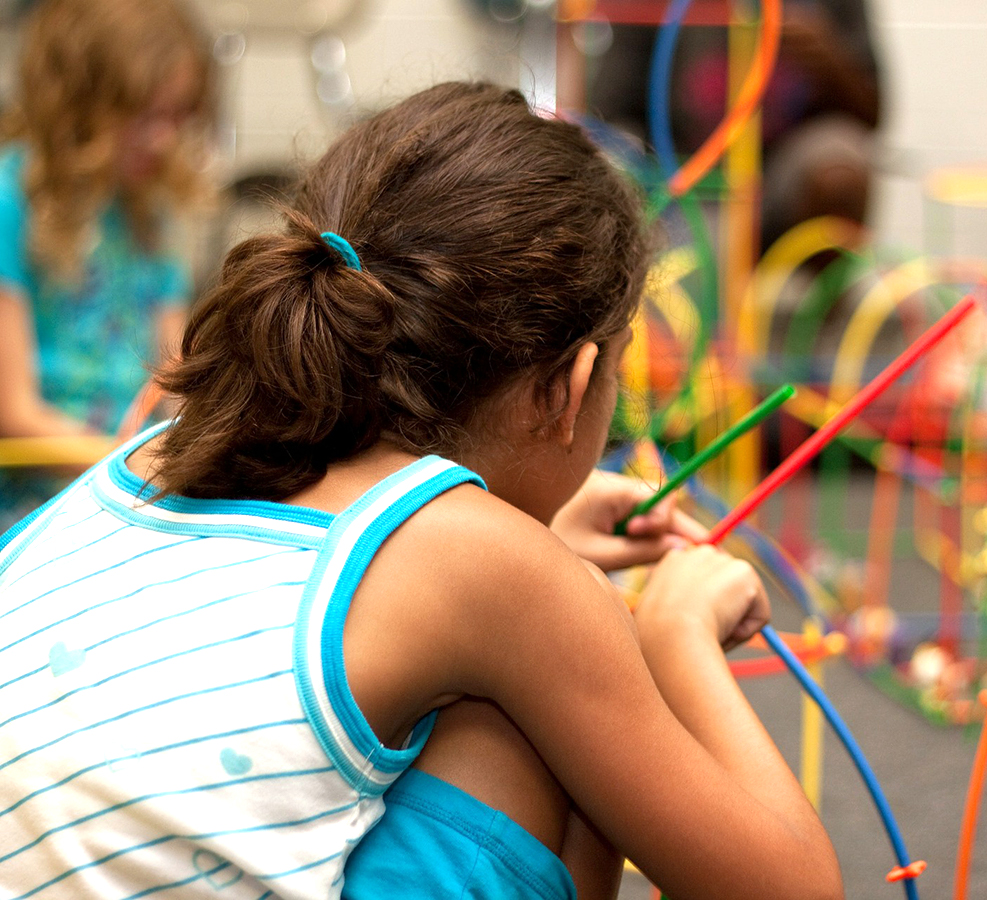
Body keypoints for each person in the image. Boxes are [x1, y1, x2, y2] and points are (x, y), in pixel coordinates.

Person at [0, 82, 843, 900]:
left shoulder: (165, 446)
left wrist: (540, 549)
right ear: (572, 386)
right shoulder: (501, 575)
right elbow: (791, 891)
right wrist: (674, 634)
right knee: (530, 716)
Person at [0, 0, 215, 524]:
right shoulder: (12, 202)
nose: (164, 139)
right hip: (35, 505)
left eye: (177, 116)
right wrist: (141, 473)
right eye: (146, 116)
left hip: (129, 486)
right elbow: (12, 411)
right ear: (82, 102)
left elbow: (174, 382)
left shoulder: (151, 215)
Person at [589, 0, 882, 250]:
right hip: (682, 180)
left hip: (783, 180)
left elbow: (873, 115)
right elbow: (606, 112)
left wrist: (827, 58)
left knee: (839, 171)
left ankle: (815, 308)